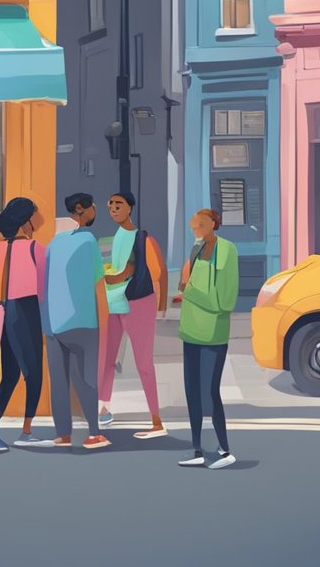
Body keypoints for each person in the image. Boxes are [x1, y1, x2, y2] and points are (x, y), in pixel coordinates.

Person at [0, 197, 49, 452]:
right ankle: (26, 431)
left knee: (10, 374)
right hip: (26, 310)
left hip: (1, 311)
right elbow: (43, 290)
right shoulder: (34, 248)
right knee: (34, 374)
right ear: (24, 222)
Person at [39, 193, 110, 450]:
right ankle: (93, 433)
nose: (95, 210)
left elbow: (43, 286)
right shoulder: (88, 240)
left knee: (59, 381)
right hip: (82, 320)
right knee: (85, 378)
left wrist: (45, 323)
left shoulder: (52, 244)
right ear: (81, 210)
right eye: (93, 207)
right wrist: (105, 320)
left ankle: (63, 435)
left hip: (53, 322)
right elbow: (98, 283)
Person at [98, 192, 169, 438]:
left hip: (137, 302)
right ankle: (104, 409)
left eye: (119, 205)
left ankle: (156, 420)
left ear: (130, 208)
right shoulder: (115, 236)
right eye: (110, 206)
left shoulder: (141, 238)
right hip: (113, 302)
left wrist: (103, 277)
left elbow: (145, 270)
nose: (113, 209)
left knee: (143, 362)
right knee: (106, 356)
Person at [175, 209, 239, 470]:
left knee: (209, 392)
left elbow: (224, 300)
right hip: (191, 330)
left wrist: (188, 291)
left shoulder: (226, 250)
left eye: (201, 224)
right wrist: (186, 288)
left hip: (213, 332)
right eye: (194, 226)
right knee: (192, 393)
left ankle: (224, 451)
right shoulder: (196, 250)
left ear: (213, 223)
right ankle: (197, 449)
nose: (196, 229)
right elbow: (184, 284)